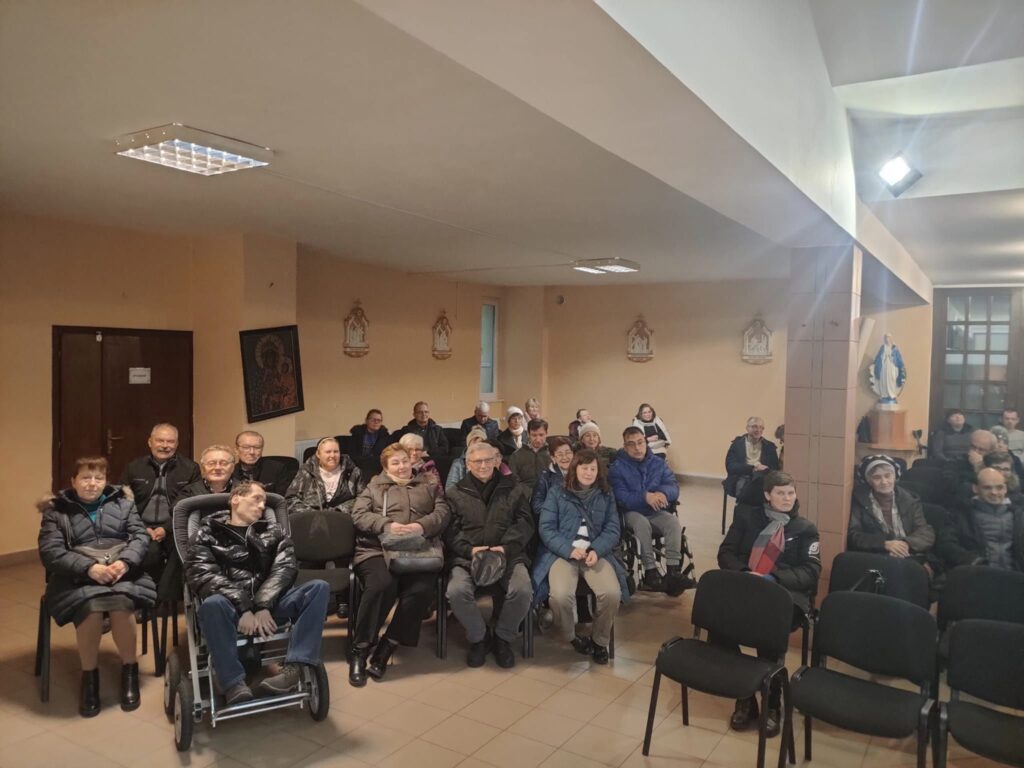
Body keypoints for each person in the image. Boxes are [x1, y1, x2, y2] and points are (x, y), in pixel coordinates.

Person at [185, 482, 330, 703]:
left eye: (264, 502)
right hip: (230, 609)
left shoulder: (275, 531)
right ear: (235, 499)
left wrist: (263, 605)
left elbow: (285, 568)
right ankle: (232, 682)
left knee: (319, 588)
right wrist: (244, 608)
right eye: (256, 499)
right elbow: (204, 575)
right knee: (212, 604)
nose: (262, 506)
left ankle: (295, 668)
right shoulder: (205, 534)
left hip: (270, 605)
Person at [38, 456, 156, 717]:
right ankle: (89, 677)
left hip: (122, 574)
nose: (92, 483)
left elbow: (140, 537)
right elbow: (50, 551)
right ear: (73, 481)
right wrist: (89, 568)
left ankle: (129, 670)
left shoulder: (124, 504)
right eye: (85, 478)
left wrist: (125, 563)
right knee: (90, 608)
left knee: (122, 604)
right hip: (75, 578)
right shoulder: (56, 510)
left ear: (106, 481)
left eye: (98, 478)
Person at [717, 471, 821, 736]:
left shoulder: (804, 528)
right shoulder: (746, 517)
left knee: (767, 629)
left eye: (791, 493)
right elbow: (726, 553)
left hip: (786, 594)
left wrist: (773, 577)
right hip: (748, 585)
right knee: (719, 626)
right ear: (767, 495)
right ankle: (745, 696)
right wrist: (745, 573)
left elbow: (810, 571)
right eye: (780, 493)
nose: (787, 498)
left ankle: (772, 701)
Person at [348, 445, 450, 686]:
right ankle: (360, 649)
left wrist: (421, 526)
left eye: (405, 461)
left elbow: (443, 511)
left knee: (421, 590)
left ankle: (388, 645)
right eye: (395, 463)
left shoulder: (428, 483)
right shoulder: (374, 486)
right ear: (385, 467)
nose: (402, 466)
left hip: (419, 549)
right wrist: (386, 525)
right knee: (381, 585)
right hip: (377, 549)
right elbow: (358, 514)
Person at [533, 450, 628, 665]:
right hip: (562, 554)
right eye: (584, 468)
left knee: (612, 593)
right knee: (560, 596)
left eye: (593, 468)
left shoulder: (606, 494)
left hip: (595, 554)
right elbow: (546, 528)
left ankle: (599, 641)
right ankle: (571, 636)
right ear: (575, 469)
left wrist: (596, 549)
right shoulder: (557, 492)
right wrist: (568, 549)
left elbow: (612, 529)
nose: (588, 472)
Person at [445, 443, 534, 668]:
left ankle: (503, 637)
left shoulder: (514, 489)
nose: (483, 465)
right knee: (456, 591)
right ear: (468, 464)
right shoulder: (454, 493)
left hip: (507, 554)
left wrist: (505, 547)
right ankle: (480, 637)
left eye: (488, 460)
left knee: (522, 589)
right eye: (477, 461)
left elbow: (525, 523)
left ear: (496, 461)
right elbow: (450, 531)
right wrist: (469, 550)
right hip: (468, 557)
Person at [121, 423, 200, 598]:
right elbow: (123, 503)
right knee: (149, 552)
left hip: (175, 526)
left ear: (177, 444)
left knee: (182, 552)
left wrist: (166, 528)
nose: (165, 445)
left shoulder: (191, 469)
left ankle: (165, 599)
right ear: (150, 442)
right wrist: (142, 528)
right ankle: (145, 597)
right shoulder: (134, 467)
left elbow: (189, 503)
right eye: (160, 440)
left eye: (170, 441)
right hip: (141, 525)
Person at [609, 427, 684, 594]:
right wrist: (645, 497)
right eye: (631, 444)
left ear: (645, 442)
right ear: (625, 446)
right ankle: (650, 571)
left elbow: (673, 486)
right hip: (630, 512)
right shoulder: (617, 468)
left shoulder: (658, 463)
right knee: (641, 523)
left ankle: (673, 571)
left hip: (654, 510)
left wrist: (663, 493)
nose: (637, 448)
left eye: (640, 442)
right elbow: (620, 496)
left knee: (672, 522)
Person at [848, 455, 936, 574]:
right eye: (877, 477)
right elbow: (854, 536)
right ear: (869, 481)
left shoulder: (910, 500)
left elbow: (925, 532)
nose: (884, 482)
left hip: (909, 553)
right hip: (877, 556)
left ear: (895, 476)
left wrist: (905, 544)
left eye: (888, 475)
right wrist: (884, 544)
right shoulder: (859, 501)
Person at [937, 468, 1024, 572]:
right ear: (975, 489)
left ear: (1005, 489)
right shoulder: (959, 515)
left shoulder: (1019, 516)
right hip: (977, 574)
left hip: (1016, 575)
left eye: (999, 487)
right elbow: (946, 545)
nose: (994, 492)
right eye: (987, 488)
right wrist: (974, 561)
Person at [286, 437, 365, 517]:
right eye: (328, 452)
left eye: (336, 451)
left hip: (343, 518)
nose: (332, 455)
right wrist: (315, 514)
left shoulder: (352, 471)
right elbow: (290, 500)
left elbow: (363, 499)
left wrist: (338, 511)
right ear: (318, 454)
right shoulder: (306, 471)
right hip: (312, 518)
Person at [724, 417, 781, 498]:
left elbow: (775, 469)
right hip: (742, 476)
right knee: (746, 490)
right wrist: (753, 468)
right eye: (754, 426)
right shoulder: (737, 444)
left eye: (761, 427)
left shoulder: (769, 446)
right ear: (747, 428)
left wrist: (765, 470)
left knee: (764, 489)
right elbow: (731, 466)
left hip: (762, 478)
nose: (758, 430)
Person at [943, 429, 998, 507]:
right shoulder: (956, 461)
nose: (975, 452)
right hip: (965, 505)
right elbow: (950, 486)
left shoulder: (996, 463)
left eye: (981, 449)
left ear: (990, 451)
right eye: (973, 447)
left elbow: (995, 486)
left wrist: (979, 466)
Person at [233, 430, 294, 495]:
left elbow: (283, 498)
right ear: (236, 450)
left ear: (262, 450)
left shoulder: (278, 468)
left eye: (257, 447)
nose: (252, 452)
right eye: (246, 447)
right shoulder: (231, 471)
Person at [532, 437, 575, 518]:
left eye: (568, 453)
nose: (565, 457)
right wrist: (557, 511)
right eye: (560, 454)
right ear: (553, 458)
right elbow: (537, 506)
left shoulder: (582, 473)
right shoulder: (545, 477)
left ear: (573, 454)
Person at [509, 419, 551, 490]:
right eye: (534, 435)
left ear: (546, 434)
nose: (538, 439)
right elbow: (513, 479)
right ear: (528, 434)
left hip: (548, 492)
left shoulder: (553, 454)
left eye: (541, 435)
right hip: (524, 493)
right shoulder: (516, 455)